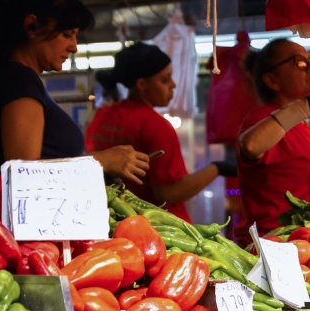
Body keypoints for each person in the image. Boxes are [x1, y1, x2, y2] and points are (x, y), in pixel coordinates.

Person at [0, 0, 149, 183]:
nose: (74, 46)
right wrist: (101, 161)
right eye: (67, 34)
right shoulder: (18, 81)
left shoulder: (18, 79)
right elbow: (23, 173)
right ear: (32, 27)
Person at [86, 43, 235, 223]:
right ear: (142, 84)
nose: (173, 85)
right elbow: (169, 192)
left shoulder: (102, 116)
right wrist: (218, 168)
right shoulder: (155, 125)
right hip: (160, 229)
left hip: (117, 222)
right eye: (165, 80)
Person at [235, 38, 310, 246]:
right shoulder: (262, 118)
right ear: (272, 80)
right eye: (299, 62)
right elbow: (251, 145)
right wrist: (306, 106)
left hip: (306, 248)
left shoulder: (305, 130)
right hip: (274, 249)